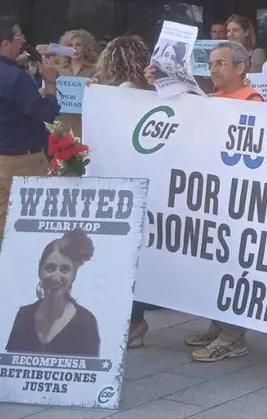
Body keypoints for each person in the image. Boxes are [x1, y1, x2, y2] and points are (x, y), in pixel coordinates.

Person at [143, 41, 263, 362]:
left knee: (233, 264)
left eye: (221, 63)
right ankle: (218, 323)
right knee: (214, 263)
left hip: (236, 200)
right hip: (212, 197)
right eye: (211, 63)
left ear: (240, 68)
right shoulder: (216, 98)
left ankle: (234, 336)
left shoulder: (253, 101)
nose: (214, 69)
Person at [0, 17, 60, 296]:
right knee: (38, 222)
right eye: (18, 37)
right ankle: (36, 286)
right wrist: (50, 83)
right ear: (6, 43)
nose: (23, 41)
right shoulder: (15, 78)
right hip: (24, 159)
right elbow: (46, 115)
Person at [92, 37, 157, 346]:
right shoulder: (145, 91)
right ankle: (133, 319)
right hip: (141, 181)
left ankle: (133, 320)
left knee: (122, 256)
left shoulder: (122, 94)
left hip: (122, 181)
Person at [5, 229, 101, 357]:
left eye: (64, 269)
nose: (56, 277)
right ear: (40, 271)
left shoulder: (86, 322)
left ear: (73, 276)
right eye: (50, 268)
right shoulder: (24, 315)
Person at [51, 29, 98, 139]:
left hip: (84, 121)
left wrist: (94, 85)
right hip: (61, 120)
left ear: (86, 47)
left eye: (79, 45)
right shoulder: (56, 69)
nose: (74, 49)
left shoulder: (95, 69)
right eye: (70, 45)